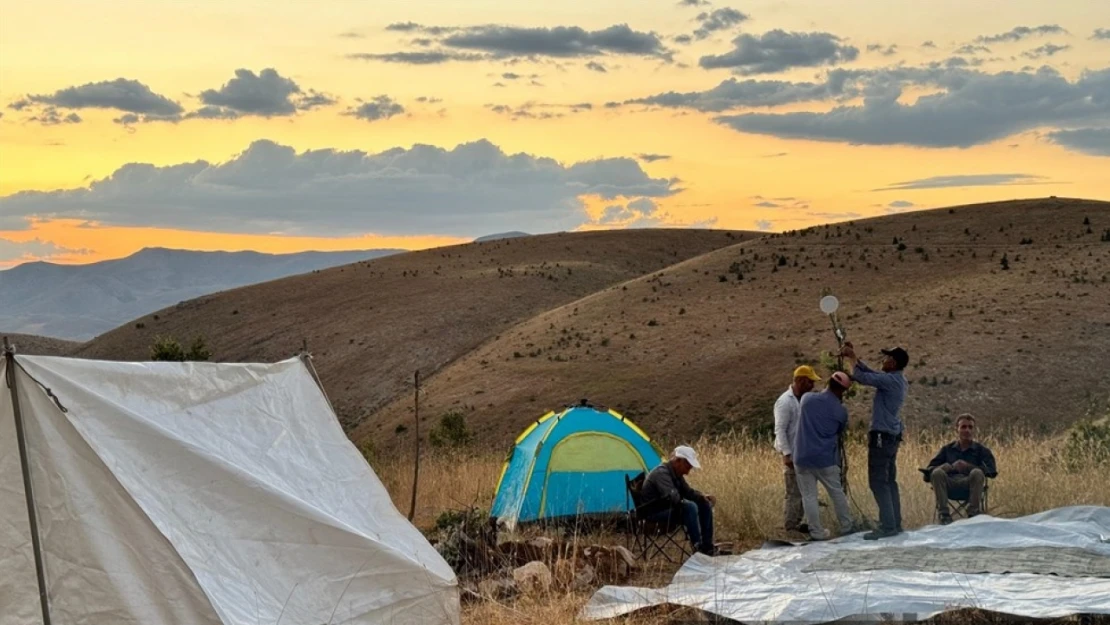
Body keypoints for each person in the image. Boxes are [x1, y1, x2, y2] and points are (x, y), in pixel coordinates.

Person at [841, 342, 908, 540]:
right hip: (891, 436)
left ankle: (887, 526)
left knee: (878, 481)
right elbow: (870, 373)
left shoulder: (890, 381)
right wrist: (855, 359)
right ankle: (895, 523)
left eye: (887, 358)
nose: (883, 360)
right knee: (889, 481)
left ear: (893, 363)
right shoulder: (897, 380)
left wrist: (852, 359)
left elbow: (862, 377)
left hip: (881, 436)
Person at [792, 371, 855, 541]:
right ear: (843, 391)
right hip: (826, 459)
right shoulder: (841, 411)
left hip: (802, 457)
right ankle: (846, 526)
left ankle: (816, 532)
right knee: (836, 493)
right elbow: (839, 431)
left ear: (828, 383)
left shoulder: (807, 399)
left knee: (809, 496)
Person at [640, 445, 718, 555]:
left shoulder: (675, 472)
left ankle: (707, 547)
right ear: (678, 461)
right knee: (690, 507)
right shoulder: (661, 473)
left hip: (666, 509)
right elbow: (674, 498)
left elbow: (687, 492)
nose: (687, 472)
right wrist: (690, 502)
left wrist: (701, 496)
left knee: (704, 503)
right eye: (687, 467)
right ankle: (698, 548)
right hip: (654, 515)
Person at [773, 365, 822, 533]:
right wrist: (786, 454)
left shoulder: (806, 399)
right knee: (794, 492)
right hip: (793, 454)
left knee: (807, 491)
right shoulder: (785, 402)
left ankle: (800, 523)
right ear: (800, 381)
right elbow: (780, 429)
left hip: (806, 453)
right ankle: (791, 526)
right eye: (810, 381)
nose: (813, 385)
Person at [925, 414, 997, 523]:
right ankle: (944, 515)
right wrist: (946, 467)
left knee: (977, 472)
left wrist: (969, 467)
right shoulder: (947, 450)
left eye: (970, 427)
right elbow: (927, 473)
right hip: (949, 487)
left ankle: (973, 514)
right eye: (963, 427)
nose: (967, 430)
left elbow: (992, 472)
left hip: (971, 487)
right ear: (957, 429)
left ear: (974, 430)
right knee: (937, 472)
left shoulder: (982, 451)